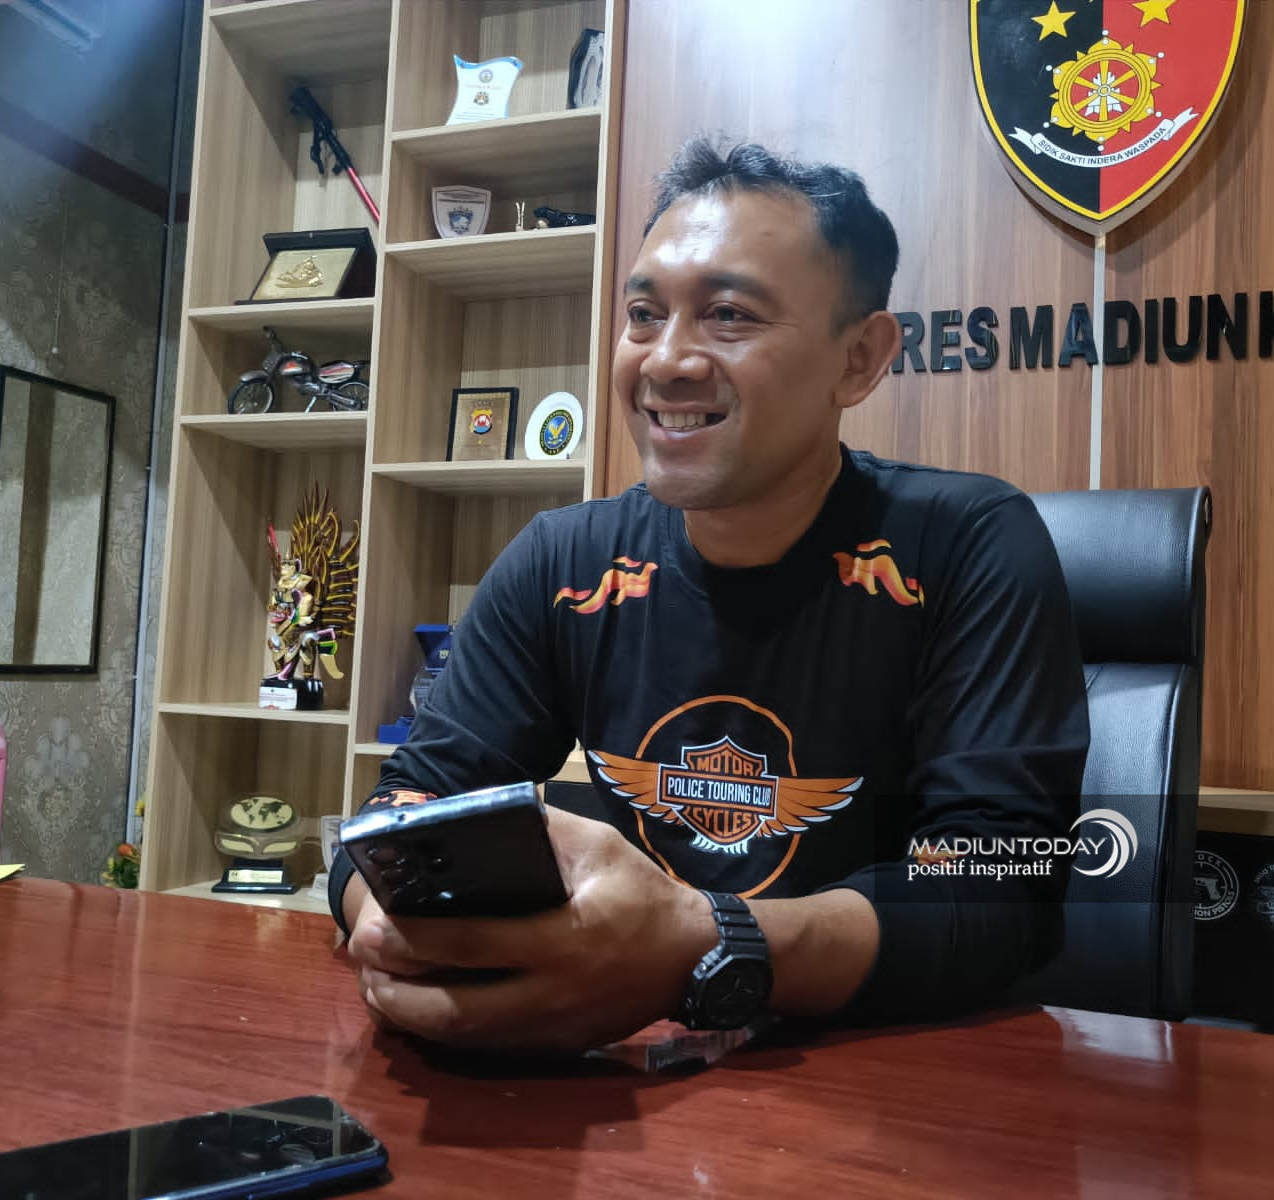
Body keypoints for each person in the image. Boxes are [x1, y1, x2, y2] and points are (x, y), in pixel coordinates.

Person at [328, 137, 1089, 1051]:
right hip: (633, 1072)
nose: (665, 362)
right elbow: (406, 806)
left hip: (888, 1071)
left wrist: (701, 941)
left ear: (859, 358)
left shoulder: (968, 543)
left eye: (728, 315)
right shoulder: (564, 561)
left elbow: (1003, 886)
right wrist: (390, 916)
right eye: (643, 314)